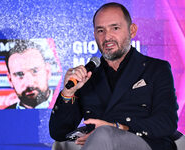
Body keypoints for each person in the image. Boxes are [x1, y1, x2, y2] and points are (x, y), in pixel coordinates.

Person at [49, 2, 178, 150]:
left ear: (132, 30)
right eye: (100, 30)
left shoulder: (156, 69)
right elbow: (58, 133)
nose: (107, 37)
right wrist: (68, 93)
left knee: (103, 134)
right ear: (94, 35)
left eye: (115, 28)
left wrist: (117, 127)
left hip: (145, 144)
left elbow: (166, 122)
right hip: (98, 145)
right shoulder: (88, 76)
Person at [4, 40, 53, 109]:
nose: (29, 84)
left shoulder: (69, 107)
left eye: (35, 71)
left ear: (47, 72)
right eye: (19, 74)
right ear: (10, 80)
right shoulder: (1, 117)